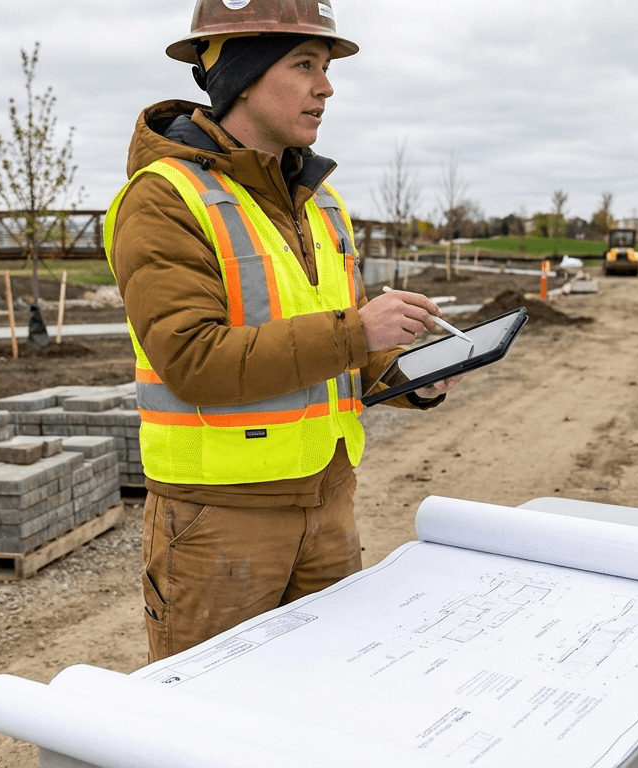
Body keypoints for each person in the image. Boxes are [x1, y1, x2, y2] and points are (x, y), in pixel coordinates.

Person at [105, 0, 460, 663]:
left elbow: (344, 346)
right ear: (241, 76)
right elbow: (193, 359)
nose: (325, 87)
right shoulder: (163, 198)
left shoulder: (322, 201)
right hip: (219, 520)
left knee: (327, 694)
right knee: (210, 709)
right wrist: (358, 333)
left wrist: (411, 376)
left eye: (326, 67)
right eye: (303, 65)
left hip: (328, 503)